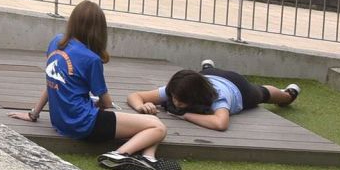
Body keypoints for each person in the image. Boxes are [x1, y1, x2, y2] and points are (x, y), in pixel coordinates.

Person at [8, 1, 169, 170]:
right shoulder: (91, 59)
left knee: (145, 127)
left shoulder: (56, 42)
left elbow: (53, 82)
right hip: (85, 123)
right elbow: (106, 102)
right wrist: (98, 103)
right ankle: (118, 155)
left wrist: (33, 114)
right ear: (99, 30)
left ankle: (148, 158)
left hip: (61, 122)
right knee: (157, 126)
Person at [128, 60, 301, 132]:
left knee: (262, 93)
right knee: (204, 74)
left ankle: (287, 95)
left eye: (181, 100)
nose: (175, 102)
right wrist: (141, 106)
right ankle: (208, 68)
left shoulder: (218, 97)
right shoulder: (177, 88)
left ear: (195, 97)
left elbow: (220, 123)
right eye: (173, 97)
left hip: (237, 86)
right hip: (208, 77)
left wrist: (185, 115)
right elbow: (135, 95)